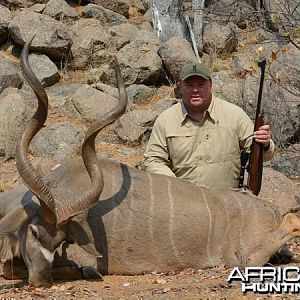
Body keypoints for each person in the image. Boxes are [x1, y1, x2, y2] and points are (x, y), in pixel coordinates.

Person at [143, 62, 274, 189]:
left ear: (210, 85)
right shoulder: (166, 120)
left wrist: (265, 144)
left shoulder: (234, 115)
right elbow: (153, 161)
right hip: (183, 203)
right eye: (189, 85)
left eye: (201, 84)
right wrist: (176, 187)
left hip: (228, 201)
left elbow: (263, 155)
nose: (195, 90)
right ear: (180, 87)